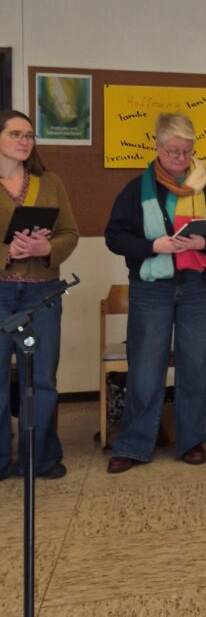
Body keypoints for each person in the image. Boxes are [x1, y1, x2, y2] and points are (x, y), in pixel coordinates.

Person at [104, 112, 206, 473]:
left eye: (187, 151)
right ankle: (134, 444)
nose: (181, 159)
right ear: (157, 148)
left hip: (198, 287)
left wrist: (204, 242)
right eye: (173, 151)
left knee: (195, 365)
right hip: (152, 288)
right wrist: (154, 246)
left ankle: (192, 440)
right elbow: (114, 237)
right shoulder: (136, 189)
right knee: (146, 367)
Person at [0, 110, 79, 480]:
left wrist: (46, 249)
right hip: (1, 292)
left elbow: (69, 233)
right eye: (16, 134)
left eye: (29, 135)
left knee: (42, 379)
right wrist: (8, 253)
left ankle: (41, 458)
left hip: (42, 294)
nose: (25, 141)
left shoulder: (51, 182)